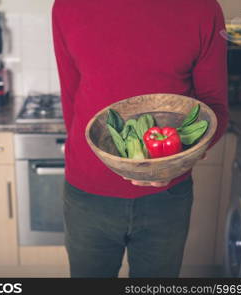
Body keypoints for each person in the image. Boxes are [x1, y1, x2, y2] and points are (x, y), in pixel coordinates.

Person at [52, 0, 228, 278]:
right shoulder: (67, 6)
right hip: (88, 193)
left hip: (166, 197)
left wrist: (176, 162)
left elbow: (214, 107)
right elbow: (70, 98)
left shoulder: (203, 9)